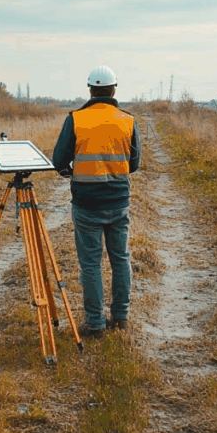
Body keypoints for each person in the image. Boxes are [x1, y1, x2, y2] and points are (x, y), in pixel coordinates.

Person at [51, 65, 141, 338]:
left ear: (90, 89)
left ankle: (95, 324)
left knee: (90, 264)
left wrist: (73, 173)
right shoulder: (127, 120)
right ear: (114, 88)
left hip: (86, 204)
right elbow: (134, 164)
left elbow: (58, 161)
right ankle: (121, 318)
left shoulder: (76, 119)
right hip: (118, 203)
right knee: (121, 258)